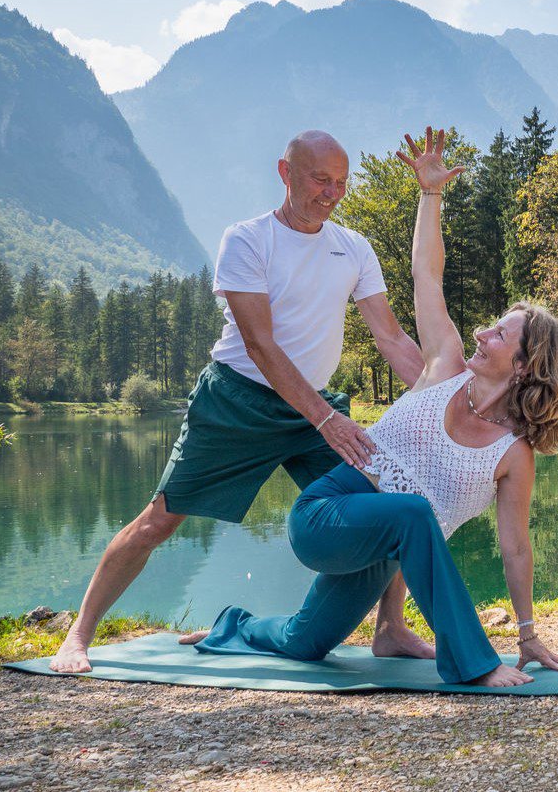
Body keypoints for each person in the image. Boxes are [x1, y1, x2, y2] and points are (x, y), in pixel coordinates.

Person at [183, 127, 558, 686]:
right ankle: (472, 663)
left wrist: (529, 633)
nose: (481, 332)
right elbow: (428, 274)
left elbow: (516, 547)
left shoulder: (513, 452)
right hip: (330, 512)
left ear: (524, 366)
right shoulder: (443, 367)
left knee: (306, 642)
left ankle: (234, 625)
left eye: (499, 333)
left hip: (384, 547)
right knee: (414, 510)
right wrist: (430, 195)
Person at [50, 130, 428, 673]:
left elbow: (391, 338)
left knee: (391, 490)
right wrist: (324, 418)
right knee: (159, 521)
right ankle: (78, 635)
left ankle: (390, 628)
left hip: (314, 408)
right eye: (320, 179)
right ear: (285, 172)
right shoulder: (248, 240)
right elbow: (260, 343)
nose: (332, 193)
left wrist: (448, 397)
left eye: (341, 182)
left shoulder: (354, 247)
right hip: (238, 404)